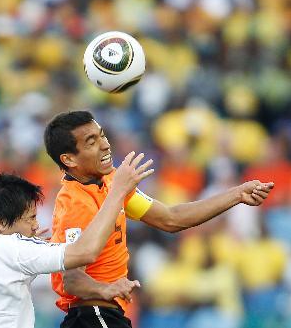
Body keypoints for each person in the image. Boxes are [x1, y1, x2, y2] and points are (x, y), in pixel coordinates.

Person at [43, 110, 274, 328]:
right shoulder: (76, 202)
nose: (105, 145)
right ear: (69, 160)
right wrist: (105, 290)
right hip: (92, 315)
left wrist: (237, 194)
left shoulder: (111, 184)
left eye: (102, 136)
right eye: (91, 142)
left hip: (107, 314)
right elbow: (72, 279)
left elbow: (171, 219)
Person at [0, 151, 153, 328]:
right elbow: (85, 252)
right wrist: (117, 193)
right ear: (2, 223)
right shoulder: (17, 249)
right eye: (30, 218)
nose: (36, 225)